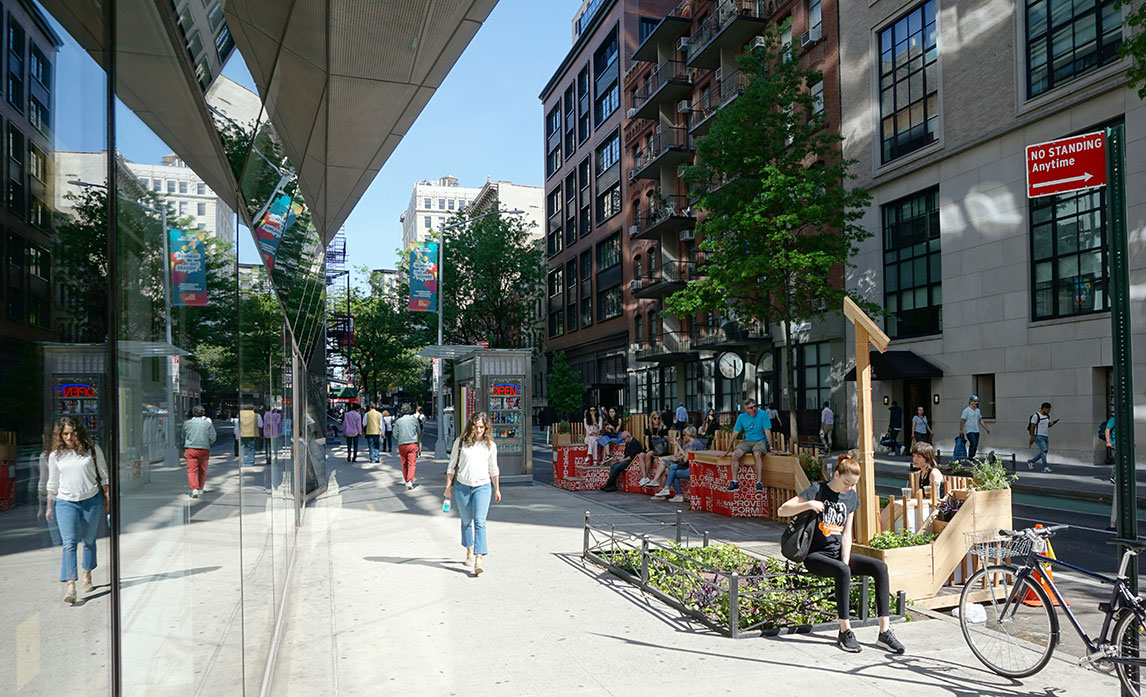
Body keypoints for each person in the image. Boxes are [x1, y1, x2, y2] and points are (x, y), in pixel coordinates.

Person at [777, 453, 905, 654]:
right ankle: (845, 631)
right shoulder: (817, 490)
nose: (849, 487)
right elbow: (782, 510)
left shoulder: (851, 497)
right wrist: (808, 504)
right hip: (815, 556)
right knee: (843, 571)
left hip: (837, 554)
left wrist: (845, 560)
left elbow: (847, 534)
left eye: (853, 484)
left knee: (880, 567)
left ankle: (884, 632)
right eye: (846, 483)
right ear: (836, 475)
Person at [45, 416, 109, 605]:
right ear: (59, 435)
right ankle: (71, 585)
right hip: (65, 502)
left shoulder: (92, 449)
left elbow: (104, 474)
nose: (69, 437)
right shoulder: (55, 455)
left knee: (88, 539)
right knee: (69, 543)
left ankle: (87, 573)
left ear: (78, 433)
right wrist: (49, 506)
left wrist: (107, 496)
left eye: (72, 433)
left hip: (91, 500)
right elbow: (52, 482)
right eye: (65, 434)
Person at [444, 412, 502, 576]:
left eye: (482, 427)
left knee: (480, 521)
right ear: (471, 426)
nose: (479, 430)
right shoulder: (460, 442)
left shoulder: (490, 445)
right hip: (462, 486)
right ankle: (469, 550)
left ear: (486, 427)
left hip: (483, 486)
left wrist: (497, 488)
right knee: (466, 520)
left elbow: (494, 468)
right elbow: (451, 465)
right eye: (476, 427)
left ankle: (479, 558)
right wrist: (448, 486)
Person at [722, 398, 772, 492]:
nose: (754, 409)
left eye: (755, 406)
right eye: (751, 407)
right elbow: (735, 433)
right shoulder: (742, 417)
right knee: (735, 454)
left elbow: (767, 431)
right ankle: (734, 482)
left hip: (760, 440)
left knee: (756, 453)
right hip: (747, 441)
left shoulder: (763, 414)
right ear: (746, 409)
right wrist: (727, 450)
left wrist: (771, 447)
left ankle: (759, 483)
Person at [651, 427, 705, 502]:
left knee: (671, 472)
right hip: (687, 466)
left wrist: (678, 446)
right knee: (671, 468)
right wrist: (677, 444)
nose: (684, 437)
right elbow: (677, 455)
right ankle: (667, 489)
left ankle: (674, 493)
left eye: (684, 435)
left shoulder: (695, 444)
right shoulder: (688, 444)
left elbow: (685, 459)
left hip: (694, 467)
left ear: (689, 434)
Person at [182, 405, 217, 498]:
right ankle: (201, 488)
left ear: (193, 413)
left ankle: (194, 489)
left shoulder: (187, 423)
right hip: (204, 449)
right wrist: (208, 442)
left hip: (191, 449)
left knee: (191, 470)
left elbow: (182, 435)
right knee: (203, 470)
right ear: (203, 413)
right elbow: (213, 437)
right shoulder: (208, 424)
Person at [637, 411, 670, 487]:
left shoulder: (663, 427)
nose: (657, 420)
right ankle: (644, 477)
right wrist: (647, 447)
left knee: (648, 455)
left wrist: (659, 437)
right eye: (655, 418)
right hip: (650, 446)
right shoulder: (649, 428)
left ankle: (646, 476)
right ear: (651, 419)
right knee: (641, 455)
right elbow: (646, 440)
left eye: (658, 418)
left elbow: (666, 438)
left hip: (657, 447)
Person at [393, 404, 421, 489]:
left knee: (404, 464)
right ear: (410, 410)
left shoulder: (398, 421)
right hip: (412, 443)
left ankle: (406, 480)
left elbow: (395, 434)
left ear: (402, 411)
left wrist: (400, 438)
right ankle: (410, 481)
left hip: (402, 444)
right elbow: (419, 431)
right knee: (412, 464)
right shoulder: (414, 420)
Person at [1026, 402, 1059, 473]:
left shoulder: (1047, 416)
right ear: (1044, 408)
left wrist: (1053, 423)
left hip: (1045, 436)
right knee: (1044, 450)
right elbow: (1032, 426)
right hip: (1038, 436)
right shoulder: (1036, 416)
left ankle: (1031, 461)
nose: (1049, 411)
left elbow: (1048, 425)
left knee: (1044, 451)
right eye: (1048, 409)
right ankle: (1044, 467)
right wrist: (1032, 437)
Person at [959, 395, 990, 460]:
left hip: (976, 430)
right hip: (969, 430)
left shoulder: (978, 410)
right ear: (970, 401)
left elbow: (980, 420)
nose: (976, 403)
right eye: (974, 401)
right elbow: (962, 420)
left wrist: (986, 428)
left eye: (977, 401)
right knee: (973, 442)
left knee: (975, 445)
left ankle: (973, 457)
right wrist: (961, 429)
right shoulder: (966, 410)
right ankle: (970, 458)